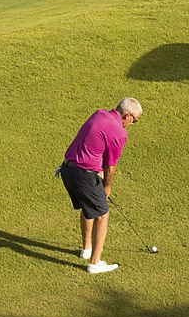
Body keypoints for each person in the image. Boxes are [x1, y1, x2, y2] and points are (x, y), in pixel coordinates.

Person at [57, 98, 142, 274]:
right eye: (135, 120)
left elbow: (93, 145)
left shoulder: (99, 114)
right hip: (83, 175)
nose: (132, 124)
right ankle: (95, 263)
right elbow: (111, 166)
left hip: (67, 170)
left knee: (88, 207)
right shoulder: (119, 132)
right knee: (102, 214)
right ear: (127, 115)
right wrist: (107, 187)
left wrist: (96, 169)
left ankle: (87, 249)